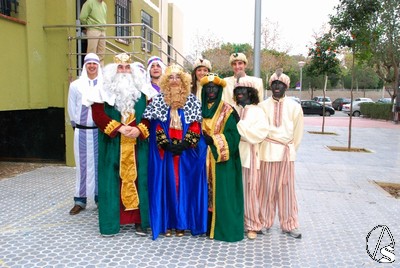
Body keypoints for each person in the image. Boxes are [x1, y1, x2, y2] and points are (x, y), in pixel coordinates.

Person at [89, 53, 155, 237]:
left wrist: (140, 129)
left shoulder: (144, 92)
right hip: (112, 145)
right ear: (113, 71)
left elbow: (150, 115)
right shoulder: (102, 90)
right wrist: (118, 128)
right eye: (120, 67)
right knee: (111, 183)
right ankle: (112, 222)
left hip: (138, 146)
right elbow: (98, 115)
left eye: (127, 67)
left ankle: (140, 222)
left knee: (141, 180)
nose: (124, 71)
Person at [142, 64, 208, 240]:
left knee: (182, 186)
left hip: (185, 153)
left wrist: (186, 144)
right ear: (165, 80)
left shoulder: (192, 100)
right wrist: (164, 143)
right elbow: (154, 124)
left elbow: (196, 125)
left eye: (177, 77)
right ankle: (168, 222)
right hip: (165, 152)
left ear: (184, 80)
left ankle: (182, 223)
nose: (174, 80)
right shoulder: (158, 100)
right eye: (170, 77)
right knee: (166, 185)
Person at [258, 70, 304, 239]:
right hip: (267, 153)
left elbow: (298, 134)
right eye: (274, 84)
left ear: (286, 86)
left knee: (287, 191)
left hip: (286, 154)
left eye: (281, 84)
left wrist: (291, 151)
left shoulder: (294, 106)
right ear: (270, 86)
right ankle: (264, 222)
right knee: (266, 190)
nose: (277, 87)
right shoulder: (262, 106)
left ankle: (289, 224)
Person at [200, 73, 244, 242]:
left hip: (221, 160)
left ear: (219, 90)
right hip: (200, 160)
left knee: (222, 194)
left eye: (214, 88)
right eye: (208, 88)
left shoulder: (228, 110)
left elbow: (233, 136)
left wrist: (214, 140)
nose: (211, 91)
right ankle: (203, 225)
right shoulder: (198, 109)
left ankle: (222, 229)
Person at [233, 78, 269, 240]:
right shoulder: (234, 109)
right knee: (234, 192)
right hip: (232, 156)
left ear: (251, 92)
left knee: (250, 192)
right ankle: (236, 222)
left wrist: (239, 124)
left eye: (243, 89)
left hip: (249, 156)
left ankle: (253, 225)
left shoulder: (257, 111)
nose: (240, 93)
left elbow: (259, 134)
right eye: (237, 90)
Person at [67, 53, 102, 215]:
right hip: (81, 131)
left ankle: (99, 198)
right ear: (85, 66)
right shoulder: (75, 85)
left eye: (95, 63)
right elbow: (71, 107)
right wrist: (77, 125)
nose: (92, 66)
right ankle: (80, 200)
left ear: (98, 65)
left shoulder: (104, 84)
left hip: (99, 132)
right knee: (81, 165)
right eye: (89, 63)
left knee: (99, 165)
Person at [79, 0, 107, 66]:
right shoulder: (89, 2)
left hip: (103, 30)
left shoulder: (104, 5)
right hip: (93, 29)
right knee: (91, 53)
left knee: (102, 54)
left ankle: (100, 72)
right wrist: (88, 27)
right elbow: (82, 17)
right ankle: (88, 72)